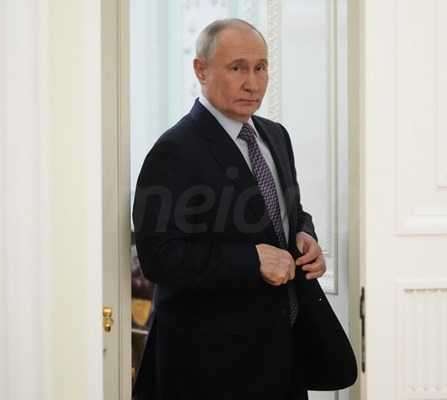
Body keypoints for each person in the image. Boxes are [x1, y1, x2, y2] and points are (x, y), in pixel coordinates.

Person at [132, 18, 356, 400]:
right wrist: (252, 260)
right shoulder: (173, 150)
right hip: (211, 365)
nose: (253, 83)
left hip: (284, 352)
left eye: (260, 67)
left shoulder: (275, 135)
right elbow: (158, 257)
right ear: (201, 70)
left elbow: (289, 212)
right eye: (237, 68)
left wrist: (305, 236)